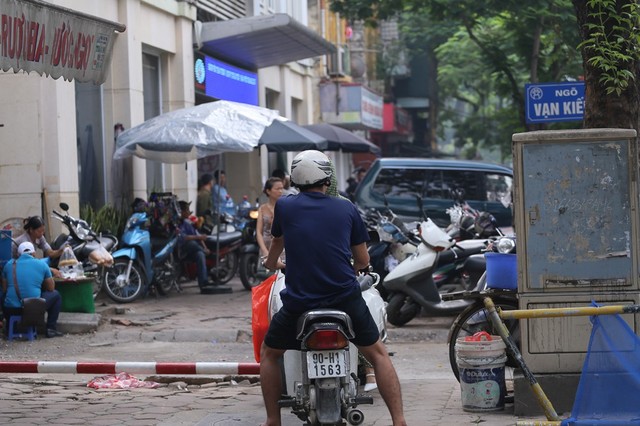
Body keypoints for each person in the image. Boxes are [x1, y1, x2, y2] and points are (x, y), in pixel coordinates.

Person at [260, 150, 407, 426]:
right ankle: (399, 421)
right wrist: (349, 270)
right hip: (344, 299)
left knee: (269, 354)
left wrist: (271, 262)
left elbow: (275, 247)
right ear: (326, 178)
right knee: (377, 354)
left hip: (299, 303)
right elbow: (363, 260)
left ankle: (272, 420)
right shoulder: (346, 208)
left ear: (295, 179)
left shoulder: (285, 207)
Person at [2, 242, 64, 338]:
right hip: (32, 309)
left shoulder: (8, 265)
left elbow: (5, 289)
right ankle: (51, 329)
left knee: (4, 296)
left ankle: (10, 328)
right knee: (56, 295)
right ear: (34, 253)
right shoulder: (42, 265)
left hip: (11, 310)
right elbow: (51, 288)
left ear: (18, 254)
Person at [178, 201, 212, 293]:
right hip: (180, 249)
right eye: (187, 210)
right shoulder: (177, 223)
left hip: (191, 250)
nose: (189, 212)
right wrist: (199, 239)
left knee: (200, 254)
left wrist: (204, 248)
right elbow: (184, 237)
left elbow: (197, 235)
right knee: (192, 243)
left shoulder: (188, 223)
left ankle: (203, 283)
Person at [256, 177, 285, 262]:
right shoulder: (262, 208)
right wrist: (264, 250)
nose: (280, 191)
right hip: (266, 247)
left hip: (282, 250)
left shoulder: (285, 207)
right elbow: (259, 232)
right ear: (268, 191)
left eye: (281, 188)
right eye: (277, 189)